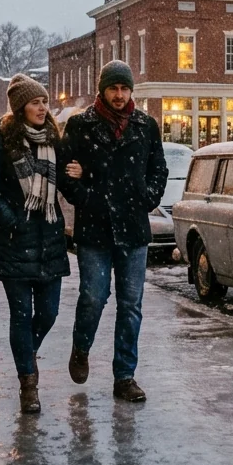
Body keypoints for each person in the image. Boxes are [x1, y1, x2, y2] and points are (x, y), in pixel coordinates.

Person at [60, 60, 167, 402]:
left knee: (131, 304)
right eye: (113, 89)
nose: (119, 95)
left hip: (134, 229)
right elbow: (64, 173)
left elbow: (158, 169)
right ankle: (81, 347)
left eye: (124, 89)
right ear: (102, 90)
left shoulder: (146, 126)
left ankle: (125, 376)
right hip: (95, 228)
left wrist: (147, 198)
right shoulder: (81, 125)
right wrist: (88, 197)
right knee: (93, 297)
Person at [0, 74, 70, 414]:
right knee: (21, 315)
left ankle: (26, 354)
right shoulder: (0, 144)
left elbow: (68, 181)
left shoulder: (54, 140)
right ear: (20, 108)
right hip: (14, 243)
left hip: (49, 240)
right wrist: (13, 220)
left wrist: (78, 174)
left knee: (49, 313)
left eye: (44, 101)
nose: (42, 107)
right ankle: (28, 384)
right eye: (35, 102)